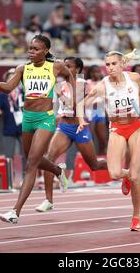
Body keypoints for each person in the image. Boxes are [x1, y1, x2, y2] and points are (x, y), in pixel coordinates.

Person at [0, 34, 74, 224]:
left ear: (46, 51)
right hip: (28, 119)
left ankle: (15, 211)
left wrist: (73, 98)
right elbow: (9, 87)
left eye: (36, 49)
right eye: (30, 48)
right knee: (32, 159)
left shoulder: (55, 66)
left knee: (31, 164)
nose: (31, 52)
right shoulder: (22, 69)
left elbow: (69, 75)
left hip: (46, 118)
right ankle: (59, 172)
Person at [77, 49, 140, 231]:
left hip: (137, 126)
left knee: (136, 176)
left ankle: (136, 217)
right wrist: (81, 119)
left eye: (114, 64)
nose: (110, 68)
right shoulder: (102, 85)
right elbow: (80, 104)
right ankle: (126, 176)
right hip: (116, 128)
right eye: (107, 64)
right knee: (115, 173)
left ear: (121, 64)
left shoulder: (135, 77)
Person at [35, 57, 108, 212]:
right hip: (64, 127)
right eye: (64, 65)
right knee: (49, 158)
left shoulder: (83, 85)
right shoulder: (60, 84)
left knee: (94, 165)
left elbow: (75, 104)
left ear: (78, 69)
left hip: (80, 128)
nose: (65, 68)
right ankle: (48, 200)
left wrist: (59, 94)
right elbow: (58, 106)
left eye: (69, 66)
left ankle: (124, 171)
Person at [0, 68, 26, 181]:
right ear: (6, 80)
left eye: (15, 77)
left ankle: (25, 178)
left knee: (26, 155)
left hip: (24, 128)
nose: (13, 79)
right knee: (8, 156)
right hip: (9, 128)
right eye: (10, 77)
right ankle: (9, 180)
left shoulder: (24, 93)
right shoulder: (3, 95)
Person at [85, 65, 108, 155]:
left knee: (102, 139)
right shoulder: (87, 83)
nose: (97, 74)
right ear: (90, 73)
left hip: (100, 112)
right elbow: (84, 98)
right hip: (89, 112)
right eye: (94, 72)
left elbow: (106, 97)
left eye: (98, 71)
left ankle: (101, 157)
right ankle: (89, 158)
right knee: (89, 138)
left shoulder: (103, 84)